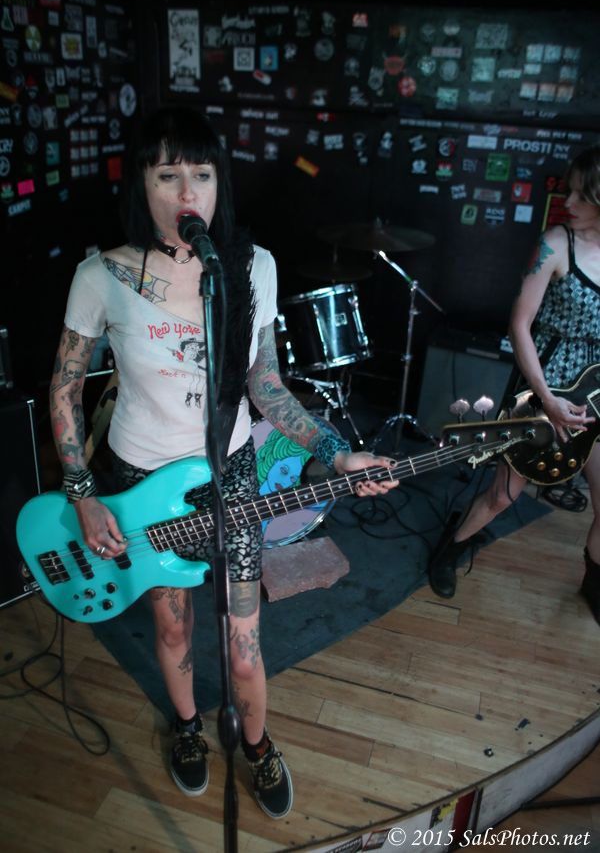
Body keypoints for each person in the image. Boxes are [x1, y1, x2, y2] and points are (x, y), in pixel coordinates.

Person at [48, 106, 397, 819]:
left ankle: (258, 745)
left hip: (231, 474)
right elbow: (64, 385)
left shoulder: (251, 266)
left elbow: (266, 386)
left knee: (243, 641)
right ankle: (185, 727)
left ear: (219, 184)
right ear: (141, 184)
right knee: (173, 627)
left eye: (202, 175)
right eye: (167, 175)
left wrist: (335, 452)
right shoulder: (101, 275)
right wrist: (81, 492)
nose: (187, 193)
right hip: (141, 481)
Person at [428, 145, 600, 626]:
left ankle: (594, 582)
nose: (568, 201)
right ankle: (450, 548)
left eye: (581, 195)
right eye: (569, 191)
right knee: (504, 495)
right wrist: (548, 399)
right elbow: (519, 325)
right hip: (545, 386)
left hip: (596, 395)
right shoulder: (556, 244)